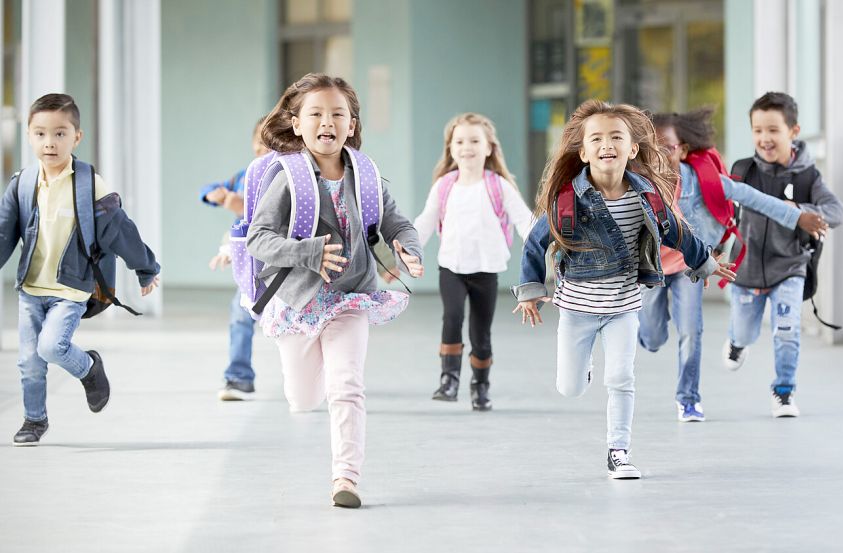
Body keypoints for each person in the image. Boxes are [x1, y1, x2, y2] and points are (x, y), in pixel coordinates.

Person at [512, 100, 735, 479]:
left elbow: (679, 233)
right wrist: (531, 290)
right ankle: (584, 367)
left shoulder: (646, 197)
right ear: (583, 152)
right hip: (577, 310)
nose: (606, 144)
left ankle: (619, 451)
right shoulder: (567, 199)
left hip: (623, 306)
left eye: (616, 136)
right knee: (570, 387)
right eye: (596, 138)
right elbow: (535, 244)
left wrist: (706, 263)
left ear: (632, 149)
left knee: (621, 378)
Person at [247, 73, 423, 508]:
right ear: (296, 123)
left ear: (351, 123)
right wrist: (306, 252)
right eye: (316, 114)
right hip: (298, 300)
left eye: (337, 114)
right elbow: (259, 238)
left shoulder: (364, 174)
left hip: (351, 295)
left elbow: (394, 220)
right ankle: (317, 373)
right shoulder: (288, 177)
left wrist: (408, 246)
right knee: (303, 398)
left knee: (347, 385)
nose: (327, 121)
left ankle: (346, 479)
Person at [639, 108, 828, 422]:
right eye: (650, 149)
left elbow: (752, 197)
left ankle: (688, 399)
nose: (658, 156)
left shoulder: (703, 181)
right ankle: (647, 334)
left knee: (691, 331)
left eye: (667, 147)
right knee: (654, 338)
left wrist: (797, 217)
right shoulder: (635, 184)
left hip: (691, 266)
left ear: (683, 150)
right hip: (651, 268)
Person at [0, 93, 160, 446]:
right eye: (40, 134)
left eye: (60, 133)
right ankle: (34, 420)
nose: (49, 142)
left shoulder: (89, 185)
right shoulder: (22, 184)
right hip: (31, 288)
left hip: (71, 289)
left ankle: (89, 368)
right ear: (29, 136)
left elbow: (120, 230)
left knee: (52, 348)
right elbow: (3, 231)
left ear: (77, 137)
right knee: (29, 362)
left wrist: (145, 268)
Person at [722, 92, 843, 418]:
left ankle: (784, 392)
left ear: (794, 131)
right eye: (758, 130)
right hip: (745, 268)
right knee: (746, 331)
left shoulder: (808, 177)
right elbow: (721, 210)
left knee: (787, 329)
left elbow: (836, 211)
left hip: (790, 265)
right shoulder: (742, 170)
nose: (765, 138)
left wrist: (800, 210)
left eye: (773, 130)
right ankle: (736, 341)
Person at [413, 113, 533, 411]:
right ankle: (449, 379)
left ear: (489, 147)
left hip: (486, 271)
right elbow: (424, 224)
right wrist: (404, 252)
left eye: (475, 141)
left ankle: (480, 386)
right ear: (451, 148)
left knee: (481, 332)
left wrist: (549, 245)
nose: (467, 147)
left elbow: (525, 221)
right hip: (451, 268)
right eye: (460, 141)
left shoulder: (499, 186)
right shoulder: (444, 185)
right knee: (451, 318)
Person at [200, 118, 269, 401]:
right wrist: (212, 194)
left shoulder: (294, 177)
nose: (265, 155)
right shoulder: (245, 176)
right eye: (260, 149)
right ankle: (239, 377)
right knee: (241, 316)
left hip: (289, 265)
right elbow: (211, 187)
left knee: (301, 326)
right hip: (252, 265)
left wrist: (242, 206)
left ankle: (316, 380)